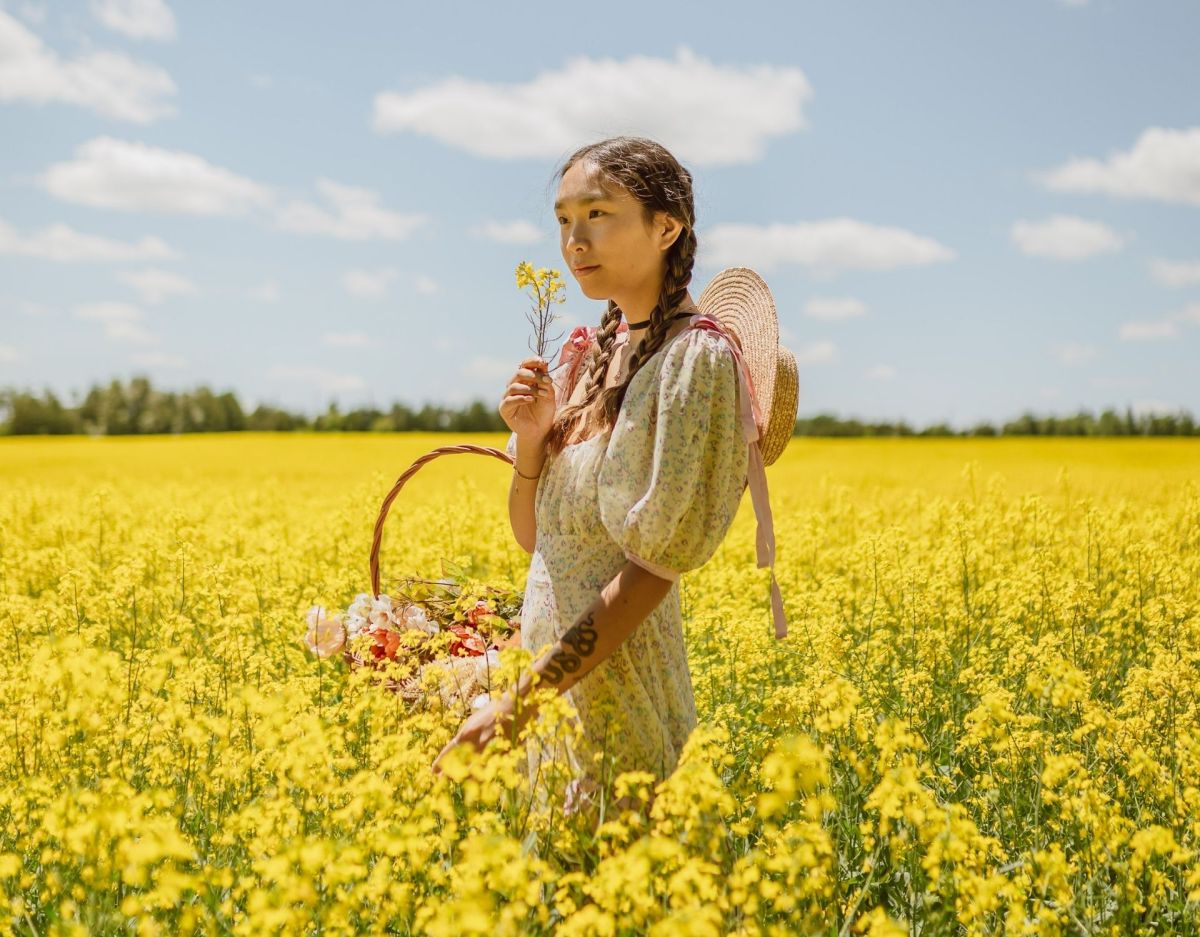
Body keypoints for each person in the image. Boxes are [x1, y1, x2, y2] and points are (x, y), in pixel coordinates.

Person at [432, 136, 794, 821]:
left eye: (598, 213)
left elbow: (653, 570)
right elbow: (537, 540)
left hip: (617, 687)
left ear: (667, 226)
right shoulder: (586, 357)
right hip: (546, 693)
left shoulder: (696, 363)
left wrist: (520, 703)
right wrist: (534, 442)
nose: (575, 239)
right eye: (564, 219)